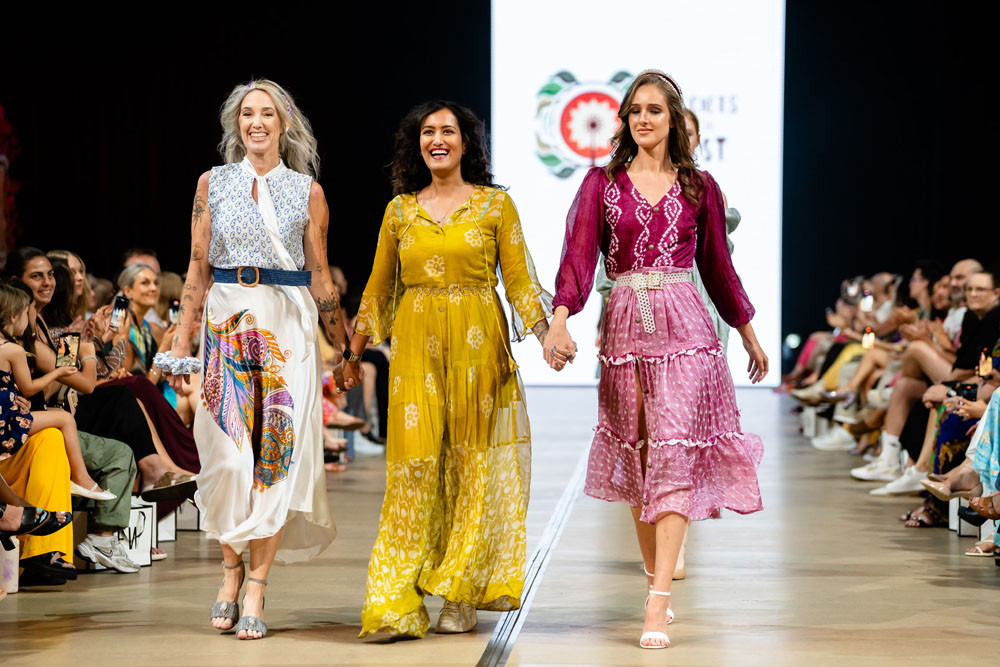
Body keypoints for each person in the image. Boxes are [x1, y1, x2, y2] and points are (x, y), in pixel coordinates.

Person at [544, 70, 768, 649]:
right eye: (635, 110)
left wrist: (747, 334)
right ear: (624, 119)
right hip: (624, 328)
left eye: (655, 111)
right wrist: (561, 320)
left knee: (671, 451)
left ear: (674, 120)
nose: (644, 119)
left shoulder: (700, 187)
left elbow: (718, 267)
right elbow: (577, 258)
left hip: (688, 326)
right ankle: (655, 579)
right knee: (641, 456)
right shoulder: (601, 184)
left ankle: (658, 598)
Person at [346, 100, 551, 638]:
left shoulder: (494, 205)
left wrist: (550, 332)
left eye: (449, 131)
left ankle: (459, 594)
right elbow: (378, 289)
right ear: (417, 143)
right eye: (428, 131)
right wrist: (352, 354)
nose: (438, 139)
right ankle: (395, 602)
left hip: (479, 354)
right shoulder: (399, 211)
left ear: (466, 143)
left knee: (469, 472)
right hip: (415, 353)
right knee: (412, 474)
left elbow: (521, 282)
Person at [166, 79, 351, 640]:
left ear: (284, 123)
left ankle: (256, 586)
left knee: (273, 455)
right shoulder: (212, 183)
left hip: (286, 325)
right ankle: (228, 569)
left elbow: (319, 275)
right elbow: (196, 266)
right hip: (225, 318)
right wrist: (180, 338)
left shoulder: (307, 190)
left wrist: (342, 343)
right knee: (224, 456)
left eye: (268, 113)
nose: (257, 122)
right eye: (247, 113)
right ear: (235, 123)